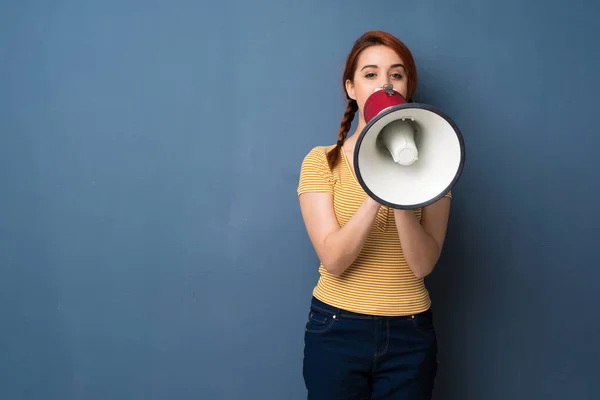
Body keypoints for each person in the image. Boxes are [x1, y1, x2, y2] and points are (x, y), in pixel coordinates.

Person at [297, 30, 452, 399]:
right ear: (351, 87)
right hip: (336, 329)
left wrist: (403, 185)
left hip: (409, 334)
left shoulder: (437, 165)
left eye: (396, 75)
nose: (385, 83)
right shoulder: (322, 162)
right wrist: (377, 186)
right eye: (370, 74)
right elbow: (334, 260)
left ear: (407, 86)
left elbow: (422, 264)